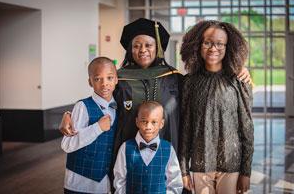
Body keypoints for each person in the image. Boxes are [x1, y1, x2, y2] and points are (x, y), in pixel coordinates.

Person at [59, 18, 251, 154]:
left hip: (169, 148)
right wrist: (70, 114)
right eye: (136, 45)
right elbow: (100, 101)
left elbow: (206, 87)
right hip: (127, 152)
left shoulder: (175, 78)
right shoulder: (120, 79)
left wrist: (236, 69)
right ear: (130, 49)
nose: (142, 50)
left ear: (157, 48)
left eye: (148, 45)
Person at [179, 20, 254, 194]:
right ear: (198, 45)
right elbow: (185, 129)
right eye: (207, 43)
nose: (213, 48)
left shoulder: (239, 81)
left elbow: (247, 129)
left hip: (232, 165)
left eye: (220, 43)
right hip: (200, 164)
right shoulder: (189, 82)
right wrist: (184, 170)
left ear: (229, 47)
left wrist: (246, 172)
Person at [61, 57, 118, 193]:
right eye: (98, 79)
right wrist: (97, 128)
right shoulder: (82, 106)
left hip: (105, 183)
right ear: (90, 82)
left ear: (116, 79)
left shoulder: (119, 106)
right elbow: (67, 144)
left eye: (109, 78)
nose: (104, 84)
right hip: (79, 182)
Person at [113, 101, 183, 193]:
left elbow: (175, 182)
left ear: (161, 124)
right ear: (137, 122)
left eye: (154, 122)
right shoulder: (125, 147)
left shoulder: (168, 149)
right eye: (144, 121)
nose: (148, 127)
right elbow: (119, 181)